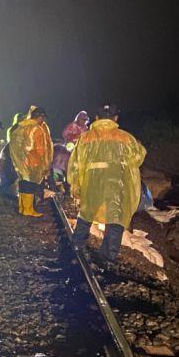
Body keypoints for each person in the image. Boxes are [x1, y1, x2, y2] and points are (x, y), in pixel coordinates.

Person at [67, 104, 146, 262]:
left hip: (91, 184)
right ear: (115, 118)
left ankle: (76, 246)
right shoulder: (126, 137)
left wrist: (75, 185)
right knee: (115, 218)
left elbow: (75, 164)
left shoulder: (86, 137)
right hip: (117, 185)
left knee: (86, 214)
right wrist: (141, 146)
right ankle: (108, 256)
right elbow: (137, 159)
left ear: (96, 118)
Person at [9, 106, 53, 217]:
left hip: (21, 161)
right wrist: (45, 163)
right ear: (40, 117)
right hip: (33, 161)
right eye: (43, 118)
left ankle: (22, 208)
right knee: (30, 184)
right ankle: (29, 210)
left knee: (23, 182)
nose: (43, 121)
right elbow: (40, 149)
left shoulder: (21, 127)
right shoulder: (37, 129)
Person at [52, 110, 90, 192]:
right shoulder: (71, 126)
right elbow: (65, 134)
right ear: (78, 119)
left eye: (85, 120)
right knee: (60, 157)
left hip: (80, 148)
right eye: (82, 119)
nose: (83, 121)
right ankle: (58, 182)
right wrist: (74, 137)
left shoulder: (86, 129)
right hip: (70, 146)